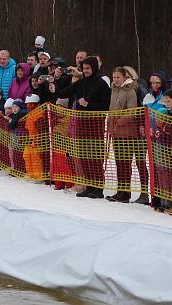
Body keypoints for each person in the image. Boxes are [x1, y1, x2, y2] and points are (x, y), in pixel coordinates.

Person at [49, 55, 112, 198]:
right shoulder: (82, 82)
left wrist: (88, 105)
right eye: (84, 69)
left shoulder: (102, 84)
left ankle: (98, 188)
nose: (86, 71)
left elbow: (106, 105)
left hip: (95, 125)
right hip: (82, 124)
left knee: (95, 157)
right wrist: (55, 87)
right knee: (84, 155)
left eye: (88, 68)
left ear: (94, 68)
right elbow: (66, 92)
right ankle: (89, 186)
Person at [107, 66, 148, 203]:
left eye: (118, 77)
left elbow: (132, 112)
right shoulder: (114, 90)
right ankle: (121, 191)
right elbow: (111, 109)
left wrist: (119, 121)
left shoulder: (130, 91)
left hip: (127, 132)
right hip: (116, 132)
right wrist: (110, 125)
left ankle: (126, 193)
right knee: (119, 163)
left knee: (125, 163)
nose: (116, 80)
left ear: (124, 77)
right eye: (114, 77)